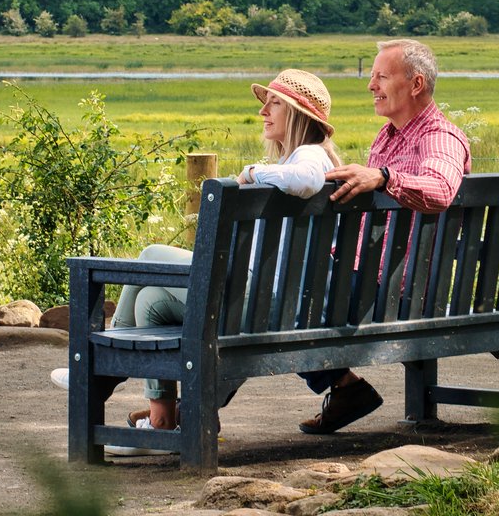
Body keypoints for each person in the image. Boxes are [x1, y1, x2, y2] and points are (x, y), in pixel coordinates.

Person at [51, 69, 340, 454]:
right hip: (263, 296)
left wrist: (253, 172)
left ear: (299, 113)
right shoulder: (303, 156)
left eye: (274, 103)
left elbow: (305, 180)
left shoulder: (311, 155)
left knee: (152, 254)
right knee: (148, 301)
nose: (263, 112)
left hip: (261, 303)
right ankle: (163, 425)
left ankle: (100, 373)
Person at [296, 38, 472, 435]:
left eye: (381, 77)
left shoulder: (439, 137)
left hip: (395, 292)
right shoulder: (388, 136)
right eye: (372, 76)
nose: (371, 85)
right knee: (273, 294)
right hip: (371, 280)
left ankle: (189, 409)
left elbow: (441, 189)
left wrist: (385, 177)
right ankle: (344, 387)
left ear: (415, 84)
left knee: (277, 299)